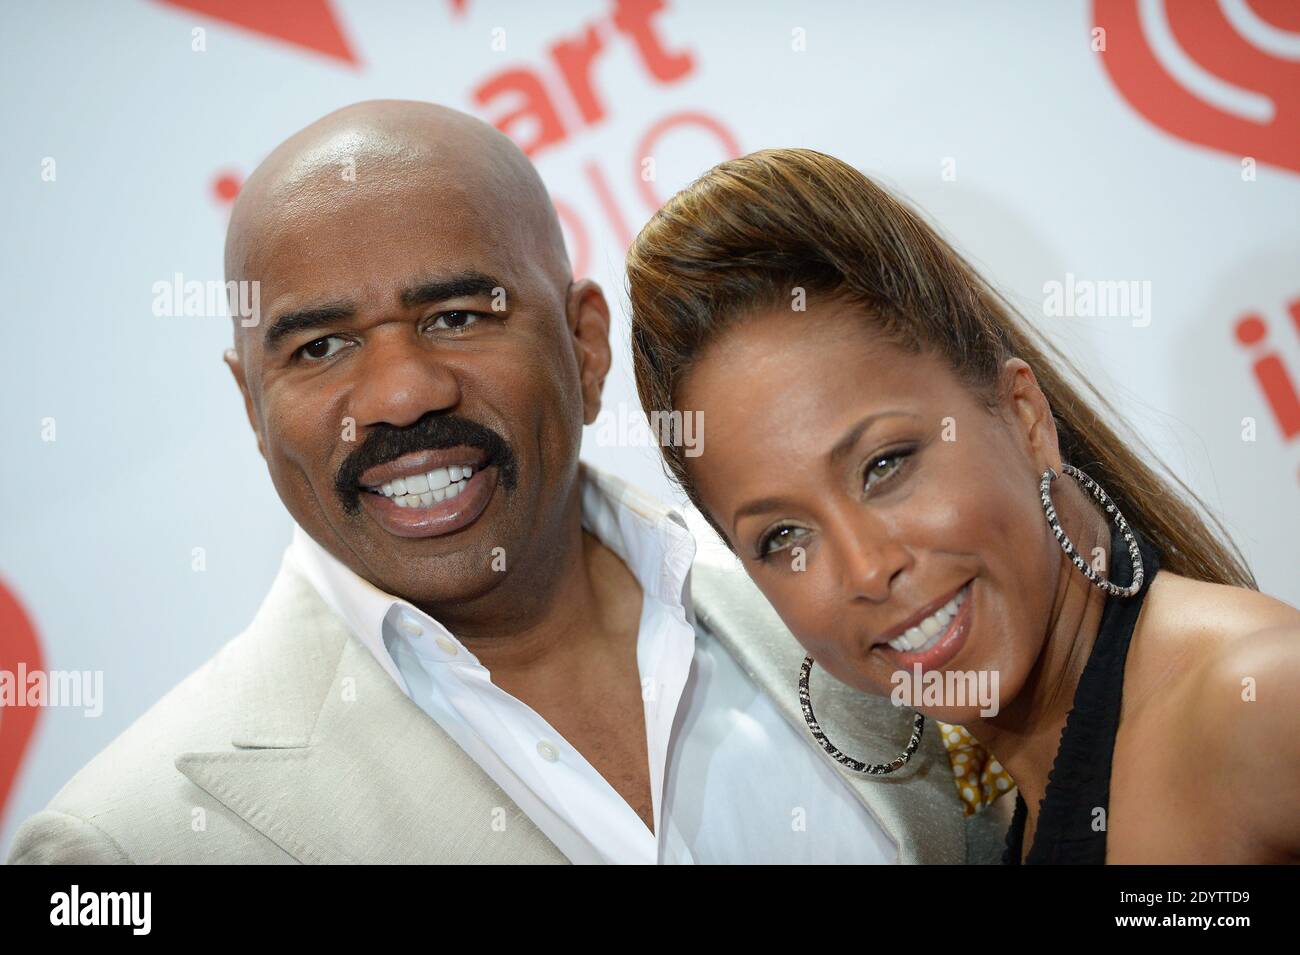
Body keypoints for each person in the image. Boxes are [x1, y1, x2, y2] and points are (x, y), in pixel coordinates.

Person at [6, 106, 1001, 865]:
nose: (400, 392)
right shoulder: (129, 842)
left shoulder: (870, 598)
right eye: (320, 345)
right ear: (251, 402)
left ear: (583, 342)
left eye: (457, 316)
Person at [625, 147, 1300, 863]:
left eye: (885, 465)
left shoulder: (1252, 705)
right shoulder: (1022, 812)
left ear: (1025, 416)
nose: (866, 567)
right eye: (785, 536)